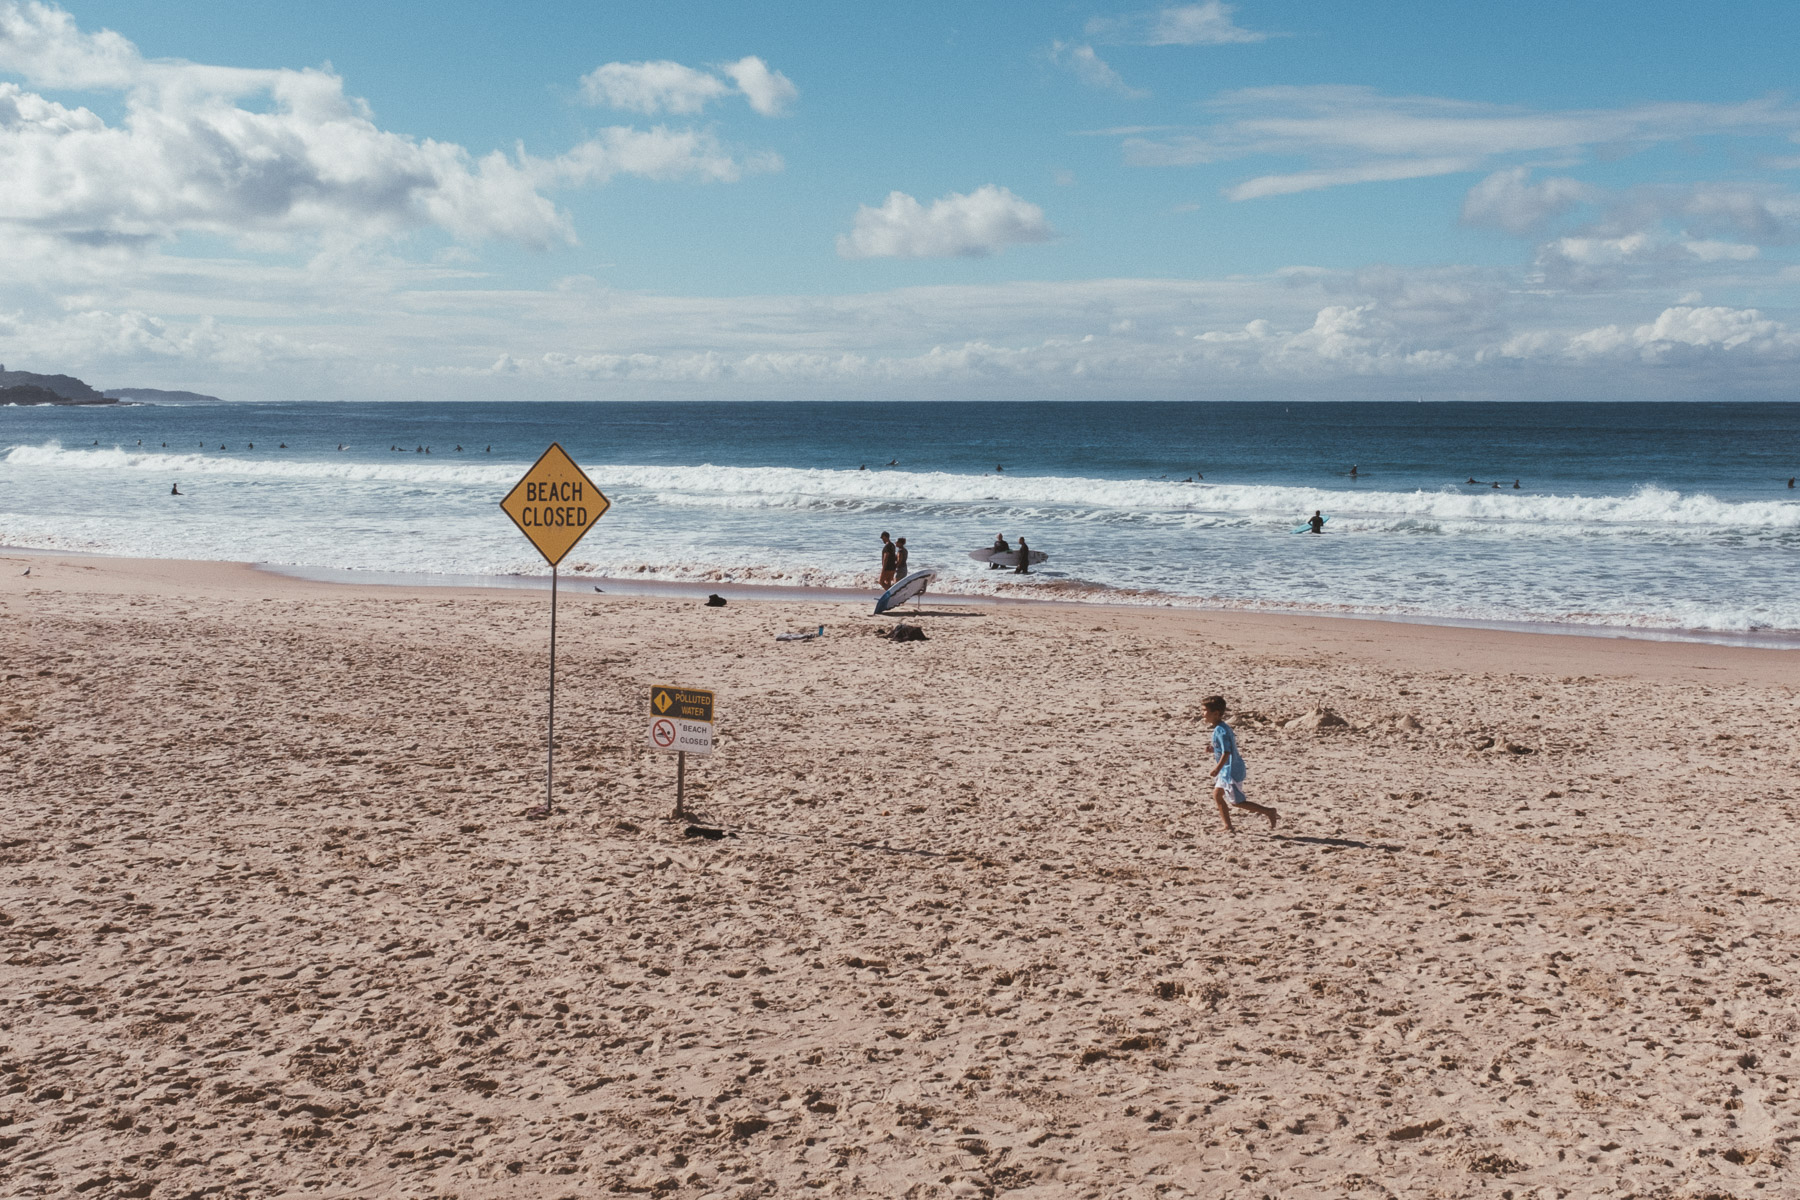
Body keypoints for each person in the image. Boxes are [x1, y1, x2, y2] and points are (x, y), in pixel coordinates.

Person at [1202, 695, 1277, 833]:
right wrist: (1213, 749)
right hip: (1226, 770)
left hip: (1231, 770)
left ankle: (1269, 811)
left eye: (1205, 710)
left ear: (1216, 713)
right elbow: (1224, 749)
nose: (1203, 714)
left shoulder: (1221, 731)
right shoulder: (1221, 728)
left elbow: (1227, 753)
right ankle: (1228, 826)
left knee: (1237, 802)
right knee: (1217, 795)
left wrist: (1216, 769)